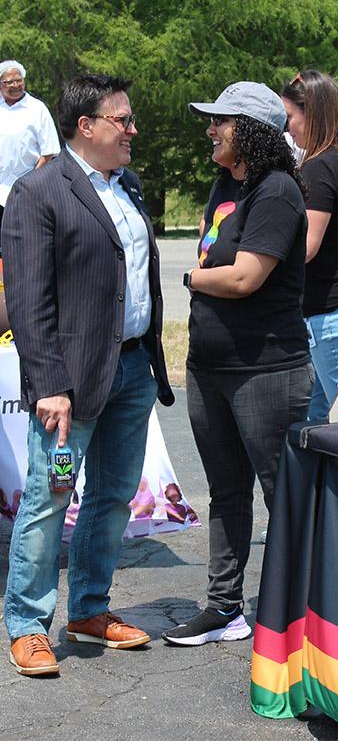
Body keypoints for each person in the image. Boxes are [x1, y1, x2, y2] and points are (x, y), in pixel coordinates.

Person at [1, 73, 174, 676]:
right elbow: (27, 299)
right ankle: (26, 622)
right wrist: (49, 383)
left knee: (112, 498)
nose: (132, 130)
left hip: (131, 369)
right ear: (87, 126)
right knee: (51, 497)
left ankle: (89, 609)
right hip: (69, 383)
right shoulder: (38, 191)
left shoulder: (129, 186)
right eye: (121, 119)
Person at [162, 82, 313, 647]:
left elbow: (245, 277)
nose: (210, 130)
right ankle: (225, 607)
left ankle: (298, 612)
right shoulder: (225, 185)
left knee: (282, 493)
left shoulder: (276, 192)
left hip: (266, 369)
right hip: (209, 364)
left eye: (220, 122)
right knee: (225, 493)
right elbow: (213, 252)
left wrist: (190, 280)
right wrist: (205, 279)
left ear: (249, 130)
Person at [281, 70, 338, 423]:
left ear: (312, 114)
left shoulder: (318, 169)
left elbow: (306, 247)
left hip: (329, 315)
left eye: (291, 117)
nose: (288, 128)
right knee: (318, 421)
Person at [0, 60, 60, 226]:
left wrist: (30, 182)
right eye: (9, 82)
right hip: (1, 188)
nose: (15, 85)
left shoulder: (37, 109)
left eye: (19, 80)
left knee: (21, 237)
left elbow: (49, 151)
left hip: (28, 189)